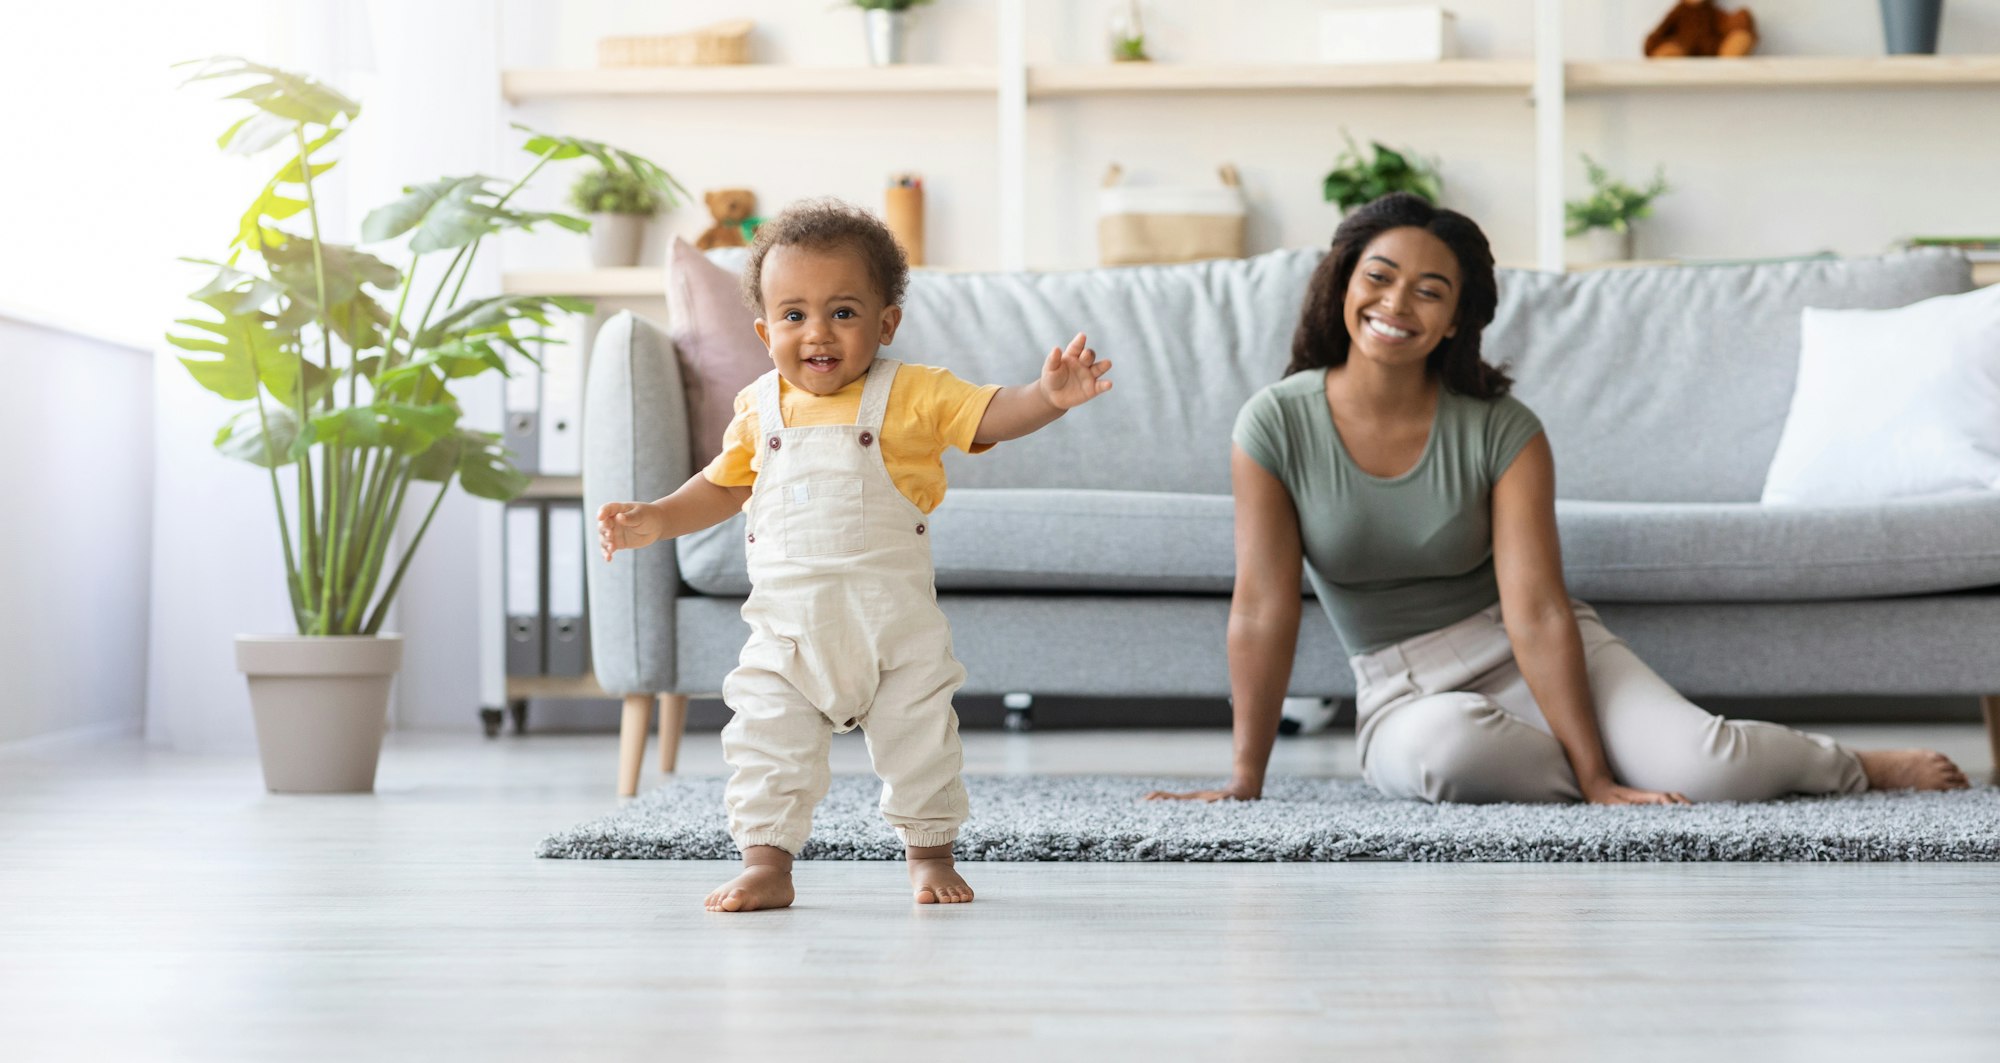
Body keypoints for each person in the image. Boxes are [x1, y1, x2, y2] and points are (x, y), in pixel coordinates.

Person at [1150, 193, 1968, 806]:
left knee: (1707, 770)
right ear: (1342, 284)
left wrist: (1593, 776)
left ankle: (1849, 764)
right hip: (1404, 691)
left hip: (1529, 646)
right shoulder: (1275, 422)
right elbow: (1261, 609)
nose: (1397, 305)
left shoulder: (1503, 428)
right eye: (1380, 277)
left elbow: (1536, 610)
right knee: (1448, 756)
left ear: (1454, 323)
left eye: (1429, 292)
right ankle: (1611, 765)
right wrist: (1243, 778)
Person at [599, 199, 1112, 911]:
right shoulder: (759, 408)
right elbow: (721, 486)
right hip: (787, 637)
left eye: (843, 312)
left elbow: (990, 413)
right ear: (764, 329)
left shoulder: (913, 393)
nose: (818, 333)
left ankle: (929, 854)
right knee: (766, 747)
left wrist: (1047, 397)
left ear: (885, 322)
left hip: (893, 634)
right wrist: (655, 517)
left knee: (921, 746)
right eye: (794, 315)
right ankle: (766, 862)